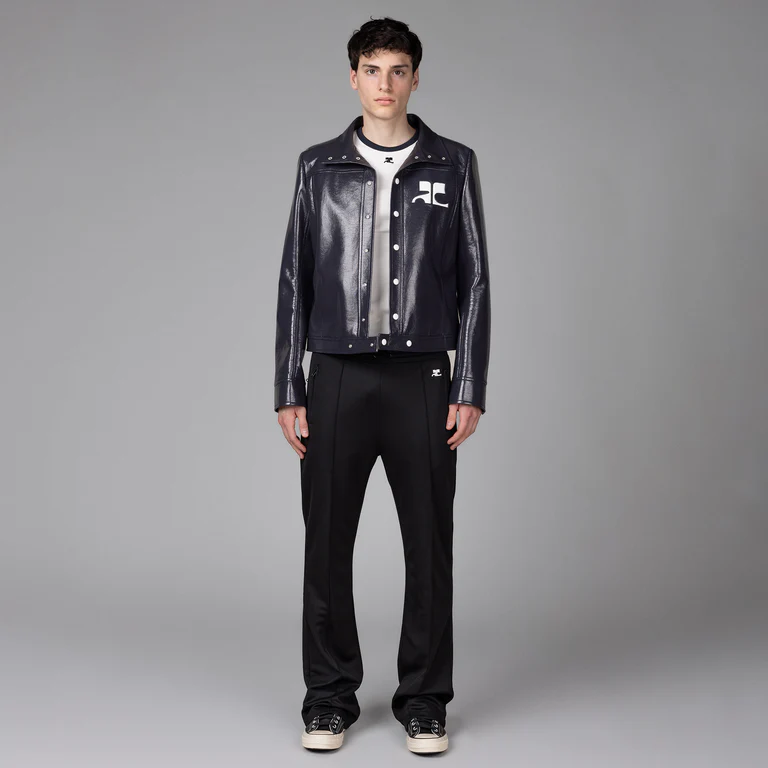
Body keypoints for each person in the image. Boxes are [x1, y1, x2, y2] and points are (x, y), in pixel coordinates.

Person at [273, 16, 491, 755]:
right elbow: (295, 280)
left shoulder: (453, 165)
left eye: (399, 70)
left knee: (429, 545)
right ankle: (328, 697)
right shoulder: (318, 168)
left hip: (423, 378)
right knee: (326, 544)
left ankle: (425, 701)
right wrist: (289, 385)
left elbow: (475, 281)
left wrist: (470, 384)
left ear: (416, 78)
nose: (386, 84)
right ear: (353, 77)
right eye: (373, 69)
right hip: (335, 375)